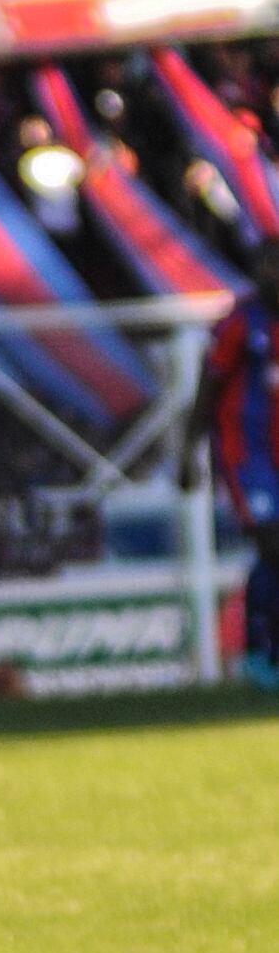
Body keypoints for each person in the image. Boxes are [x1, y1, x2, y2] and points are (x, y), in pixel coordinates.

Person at [198, 236, 279, 690]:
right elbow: (207, 387)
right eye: (267, 265)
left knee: (272, 557)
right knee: (273, 546)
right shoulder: (239, 323)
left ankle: (261, 653)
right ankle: (258, 653)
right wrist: (193, 453)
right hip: (248, 456)